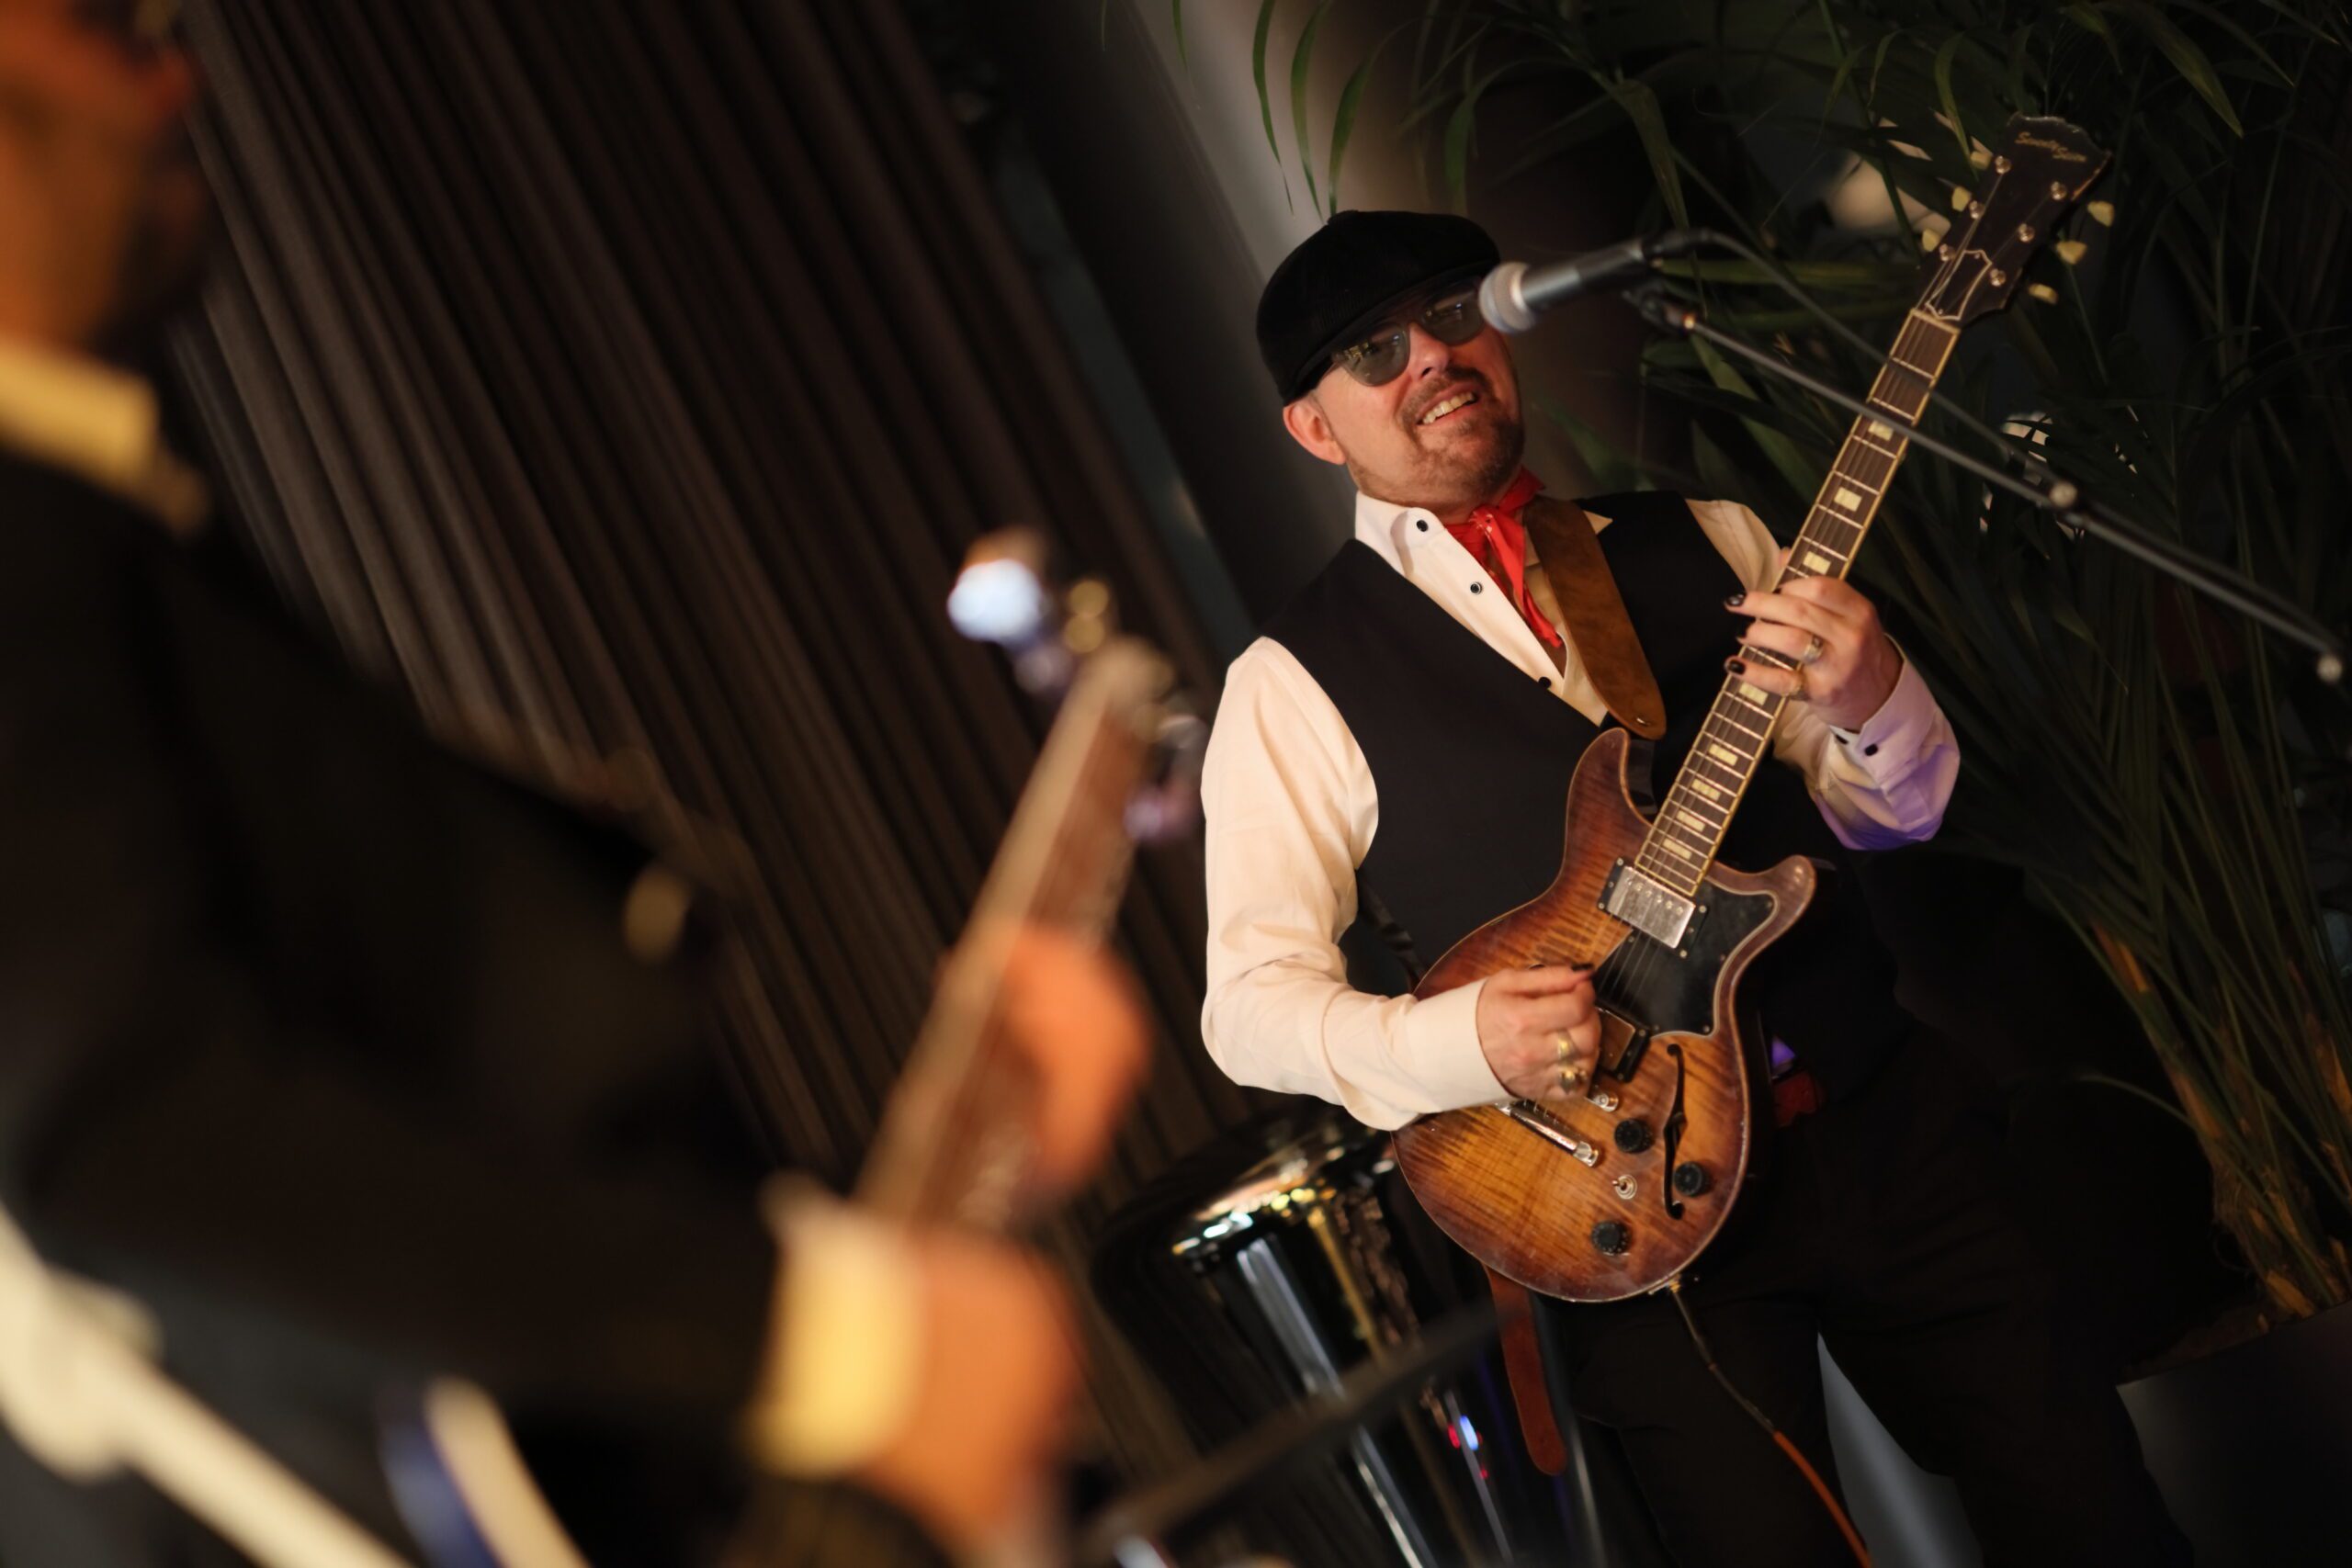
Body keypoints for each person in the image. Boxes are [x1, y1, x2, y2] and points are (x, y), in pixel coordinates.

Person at [0, 2, 1145, 1562]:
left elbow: (415, 1203)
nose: (177, 75)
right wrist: (840, 1343)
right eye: (111, 27)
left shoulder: (111, 536)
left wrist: (945, 1183)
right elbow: (125, 1131)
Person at [1199, 208, 2188, 1566]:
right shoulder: (1290, 684)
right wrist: (1459, 1041)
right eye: (1375, 351)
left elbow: (1897, 816)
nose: (1432, 355)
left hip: (1874, 1118)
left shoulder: (1710, 537)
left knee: (2092, 1513)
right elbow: (1248, 1008)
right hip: (1611, 1198)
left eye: (1453, 313)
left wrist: (1874, 694)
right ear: (1316, 428)